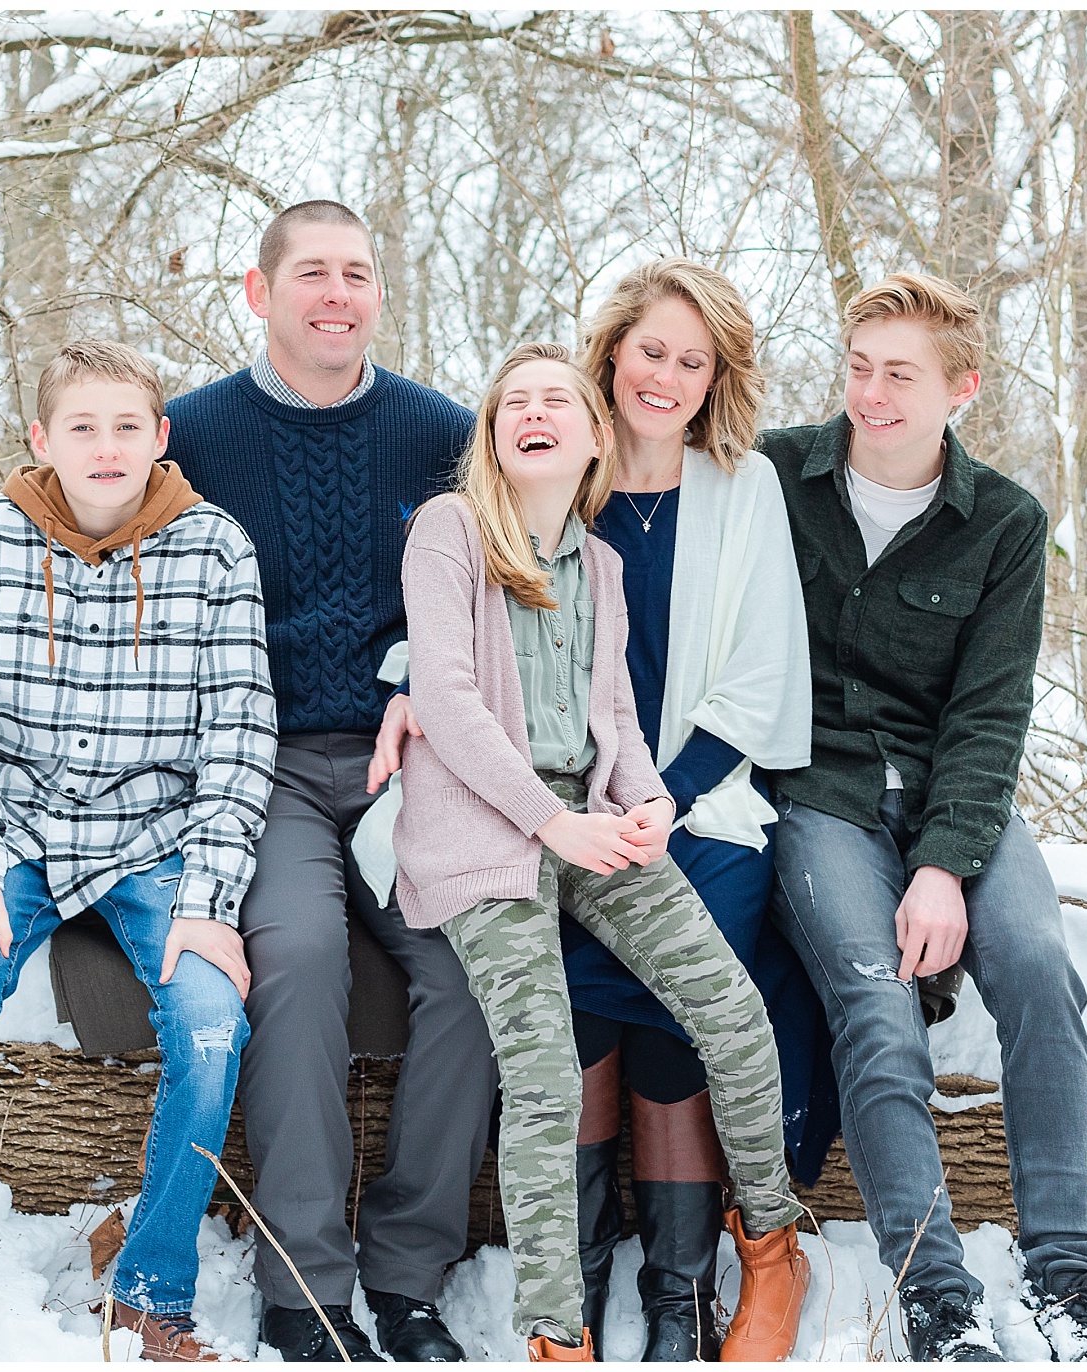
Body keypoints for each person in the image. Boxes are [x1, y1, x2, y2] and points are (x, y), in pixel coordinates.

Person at [371, 259, 834, 1361]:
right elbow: (447, 677)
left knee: (724, 1007)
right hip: (503, 832)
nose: (664, 373)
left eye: (690, 359)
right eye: (646, 350)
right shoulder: (454, 525)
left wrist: (643, 805)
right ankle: (557, 1321)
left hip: (651, 807)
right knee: (545, 1059)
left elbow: (615, 709)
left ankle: (759, 1243)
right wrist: (551, 813)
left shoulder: (618, 548)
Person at [759, 274, 1087, 1363]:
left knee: (1033, 965)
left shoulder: (1005, 522)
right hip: (816, 793)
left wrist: (941, 864)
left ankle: (1067, 1276)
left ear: (958, 390)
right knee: (872, 1002)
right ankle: (935, 1292)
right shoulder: (777, 475)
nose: (870, 394)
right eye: (858, 367)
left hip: (948, 791)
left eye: (899, 375)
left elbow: (988, 713)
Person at [0, 340, 275, 1361]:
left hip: (157, 841)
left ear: (161, 436)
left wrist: (210, 900)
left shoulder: (215, 547)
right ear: (41, 439)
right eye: (82, 427)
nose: (106, 447)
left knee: (207, 1023)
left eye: (126, 426)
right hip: (17, 830)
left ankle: (149, 1287)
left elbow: (239, 736)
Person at [160, 201, 495, 1362]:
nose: (336, 294)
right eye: (312, 274)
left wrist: (418, 685)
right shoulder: (189, 435)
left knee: (465, 972)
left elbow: (494, 595)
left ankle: (406, 1278)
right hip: (264, 761)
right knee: (294, 957)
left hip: (413, 755)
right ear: (260, 294)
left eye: (357, 274)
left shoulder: (440, 433)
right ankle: (302, 1285)